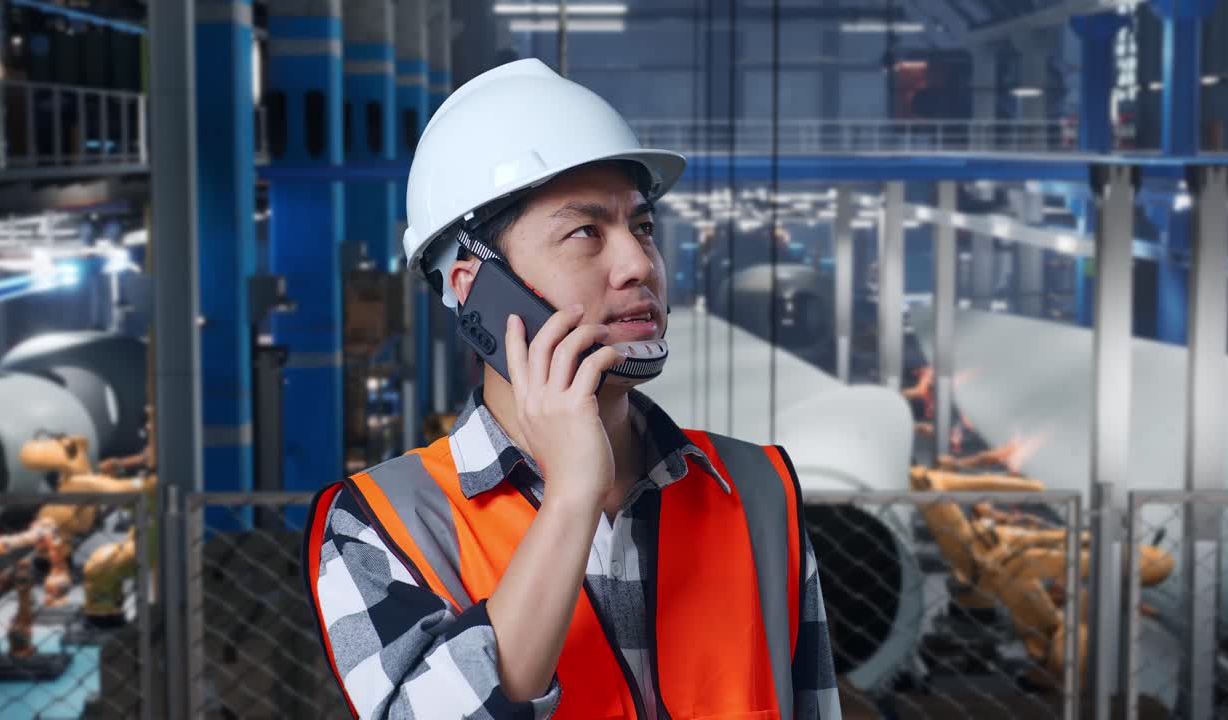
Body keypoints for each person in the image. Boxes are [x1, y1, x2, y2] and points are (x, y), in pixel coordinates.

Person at [303, 58, 841, 719]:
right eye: (586, 232)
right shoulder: (381, 524)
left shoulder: (757, 490)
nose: (640, 264)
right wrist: (571, 497)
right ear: (473, 290)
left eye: (642, 227)